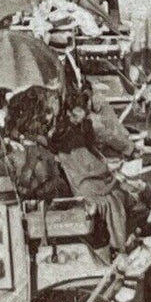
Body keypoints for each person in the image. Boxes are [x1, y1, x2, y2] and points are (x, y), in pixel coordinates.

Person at [52, 89, 131, 254]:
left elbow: (91, 152)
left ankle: (119, 243)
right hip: (82, 180)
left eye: (82, 111)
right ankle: (118, 245)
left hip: (87, 173)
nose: (81, 115)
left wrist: (103, 164)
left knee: (117, 194)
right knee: (113, 198)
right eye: (77, 111)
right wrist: (107, 170)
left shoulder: (84, 125)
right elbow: (81, 161)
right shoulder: (67, 133)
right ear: (68, 112)